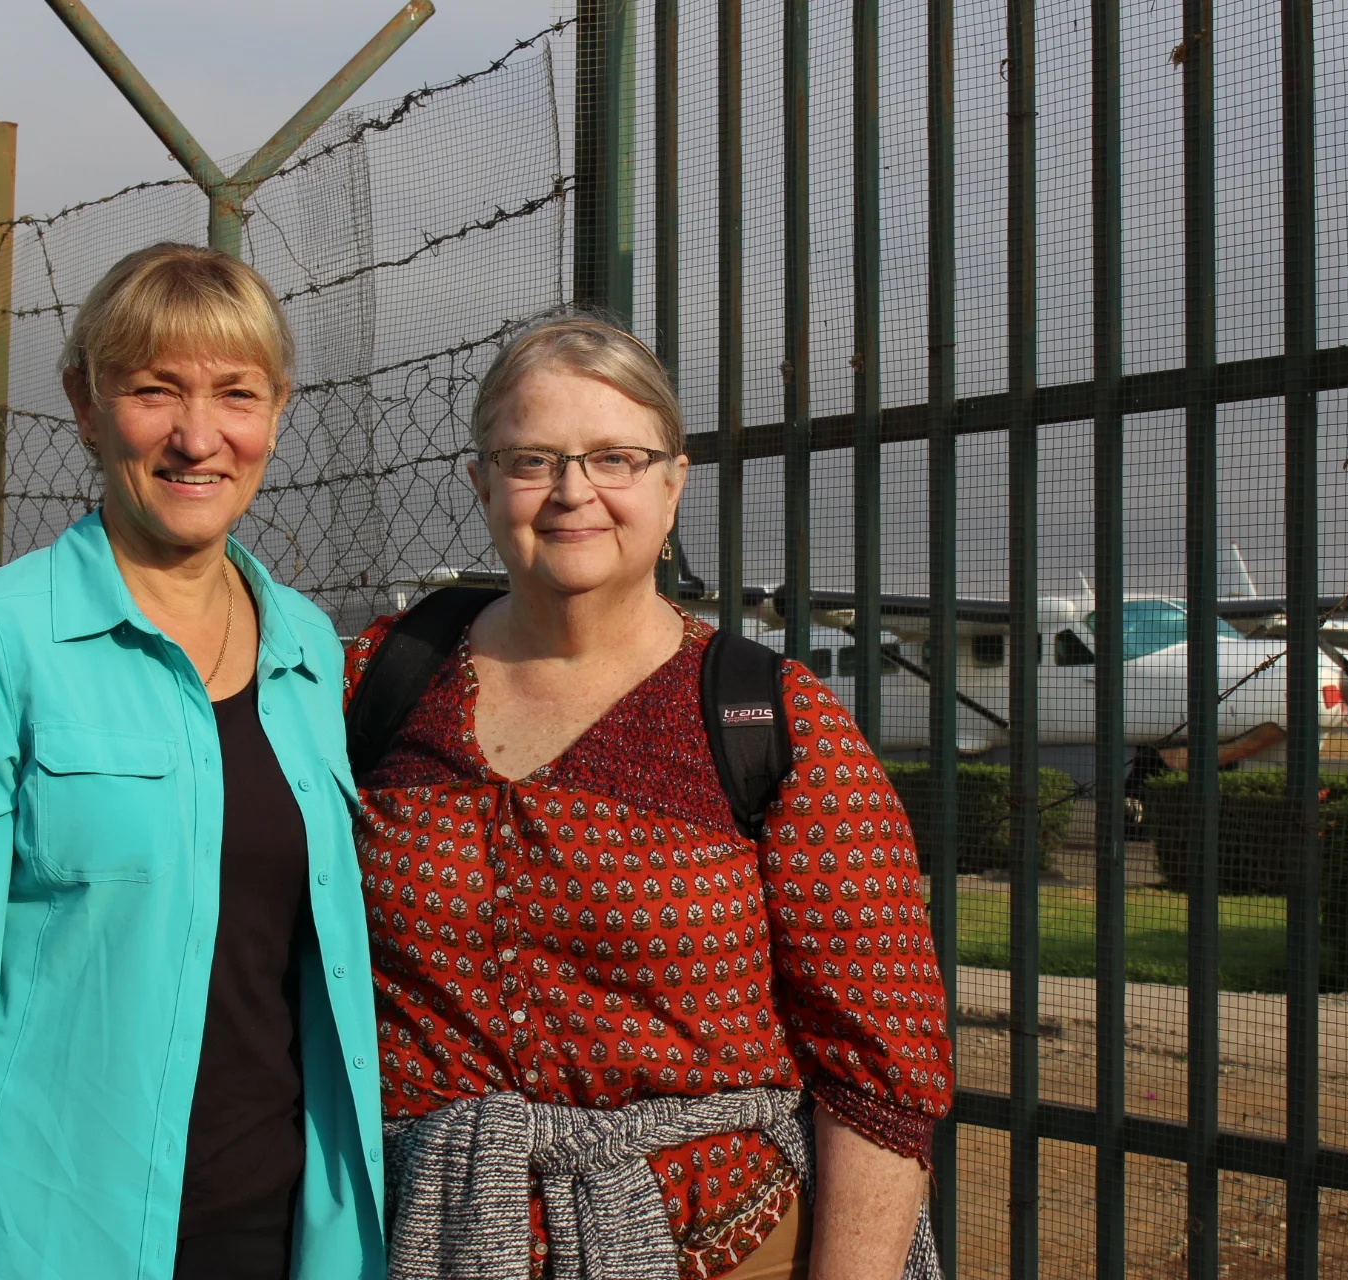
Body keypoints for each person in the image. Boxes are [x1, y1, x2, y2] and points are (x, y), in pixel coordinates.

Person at [343, 313, 953, 1280]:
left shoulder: (768, 718)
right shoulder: (380, 682)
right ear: (483, 482)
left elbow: (877, 1065)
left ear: (673, 483)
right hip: (420, 1234)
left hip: (718, 1243)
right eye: (533, 459)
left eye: (615, 458)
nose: (573, 491)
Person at [0, 243, 383, 1280]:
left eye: (236, 394)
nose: (196, 435)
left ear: (276, 411)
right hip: (52, 1235)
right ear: (86, 405)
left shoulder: (310, 646)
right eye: (153, 390)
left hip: (281, 1232)